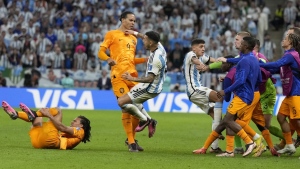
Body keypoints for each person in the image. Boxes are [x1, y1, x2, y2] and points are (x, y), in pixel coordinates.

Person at [193, 37, 261, 157]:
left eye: (242, 43)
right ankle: (223, 150)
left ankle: (250, 142)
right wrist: (226, 59)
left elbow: (240, 81)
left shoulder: (244, 62)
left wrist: (226, 90)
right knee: (226, 122)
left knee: (228, 121)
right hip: (249, 94)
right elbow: (258, 78)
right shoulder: (252, 59)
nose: (239, 44)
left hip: (242, 95)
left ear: (246, 46)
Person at [98, 11, 151, 152]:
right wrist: (108, 59)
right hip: (118, 76)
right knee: (127, 106)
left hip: (132, 76)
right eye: (130, 20)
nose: (133, 22)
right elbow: (101, 52)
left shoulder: (134, 38)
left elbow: (131, 59)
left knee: (137, 106)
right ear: (122, 19)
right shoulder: (112, 34)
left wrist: (145, 60)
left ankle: (131, 139)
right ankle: (132, 143)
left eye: (134, 20)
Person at [118, 31, 166, 142]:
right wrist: (134, 33)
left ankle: (144, 120)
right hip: (151, 84)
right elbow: (144, 36)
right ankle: (150, 121)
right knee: (134, 102)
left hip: (151, 87)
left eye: (145, 40)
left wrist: (132, 78)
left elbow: (150, 78)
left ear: (150, 42)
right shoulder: (159, 46)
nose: (143, 41)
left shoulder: (156, 58)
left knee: (122, 102)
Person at [259, 33, 300, 155]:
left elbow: (276, 65)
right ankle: (289, 145)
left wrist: (258, 64)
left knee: (297, 121)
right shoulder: (287, 56)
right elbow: (276, 69)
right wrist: (262, 68)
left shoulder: (291, 55)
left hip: (296, 92)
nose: (283, 40)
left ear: (291, 42)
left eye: (285, 38)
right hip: (289, 94)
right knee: (281, 117)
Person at [182, 38, 224, 153]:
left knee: (215, 114)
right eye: (201, 46)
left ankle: (214, 147)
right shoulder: (190, 54)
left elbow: (213, 60)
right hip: (194, 89)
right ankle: (222, 127)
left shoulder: (203, 56)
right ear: (193, 48)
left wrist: (223, 62)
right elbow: (195, 60)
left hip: (196, 91)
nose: (203, 49)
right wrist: (201, 65)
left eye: (204, 46)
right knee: (219, 97)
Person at [1, 101, 91, 150]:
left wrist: (49, 115)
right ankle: (16, 114)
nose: (72, 121)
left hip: (51, 141)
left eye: (75, 121)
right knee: (37, 120)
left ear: (81, 125)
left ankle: (32, 113)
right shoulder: (77, 133)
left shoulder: (80, 131)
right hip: (39, 143)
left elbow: (61, 127)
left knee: (58, 110)